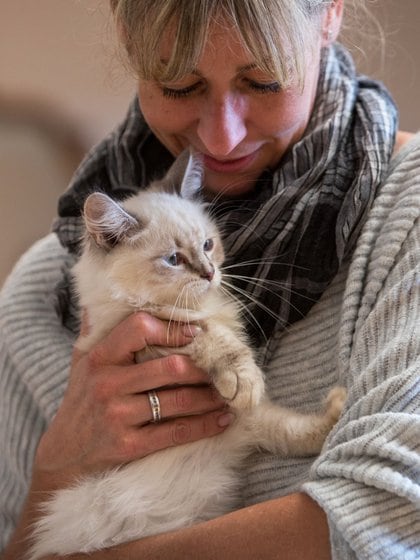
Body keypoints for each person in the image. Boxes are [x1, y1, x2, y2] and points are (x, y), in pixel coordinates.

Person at [1, 0, 419, 558]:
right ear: (129, 40)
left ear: (330, 15)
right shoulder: (37, 292)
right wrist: (52, 474)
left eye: (264, 81)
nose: (220, 139)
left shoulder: (406, 218)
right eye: (179, 86)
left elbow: (390, 516)